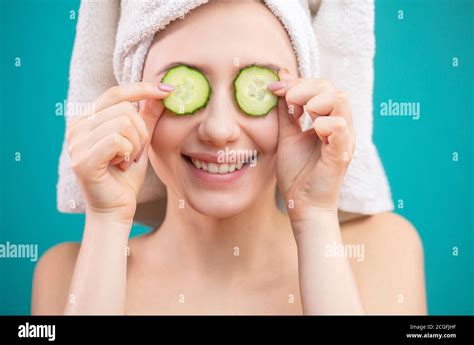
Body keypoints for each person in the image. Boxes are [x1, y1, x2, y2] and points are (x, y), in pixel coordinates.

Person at [32, 0, 426, 315]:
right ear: (132, 101)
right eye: (181, 83)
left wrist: (315, 217)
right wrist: (106, 223)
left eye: (257, 88)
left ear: (301, 98)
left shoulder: (385, 251)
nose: (219, 130)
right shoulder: (65, 275)